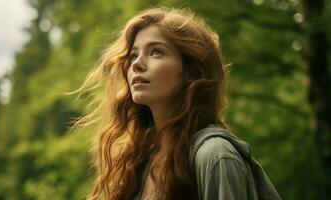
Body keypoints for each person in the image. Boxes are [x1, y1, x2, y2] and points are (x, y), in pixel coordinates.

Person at [73, 7, 280, 200]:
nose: (136, 63)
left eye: (156, 52)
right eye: (134, 55)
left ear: (191, 72)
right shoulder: (139, 161)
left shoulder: (216, 155)